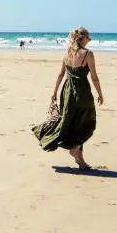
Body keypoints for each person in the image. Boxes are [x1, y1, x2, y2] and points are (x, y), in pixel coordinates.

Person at [32, 26, 104, 169]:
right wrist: (100, 94)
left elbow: (60, 75)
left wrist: (54, 92)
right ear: (82, 38)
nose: (88, 42)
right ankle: (75, 148)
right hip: (82, 91)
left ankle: (80, 160)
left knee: (70, 122)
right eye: (88, 38)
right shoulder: (88, 54)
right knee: (87, 122)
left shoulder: (67, 54)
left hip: (66, 92)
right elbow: (94, 77)